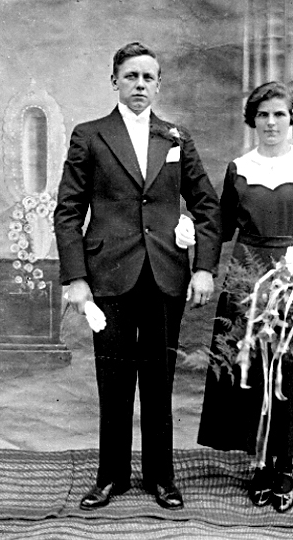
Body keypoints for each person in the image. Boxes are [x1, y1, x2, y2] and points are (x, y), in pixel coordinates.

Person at [54, 42, 222, 511]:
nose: (140, 85)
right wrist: (76, 278)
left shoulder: (176, 137)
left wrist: (204, 267)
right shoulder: (90, 135)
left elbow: (207, 206)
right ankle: (111, 477)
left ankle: (161, 477)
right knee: (113, 381)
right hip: (108, 276)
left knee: (159, 381)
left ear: (159, 84)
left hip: (166, 274)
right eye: (131, 76)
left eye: (148, 77)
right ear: (115, 82)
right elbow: (68, 212)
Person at [197, 81, 293, 513]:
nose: (271, 122)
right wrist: (189, 233)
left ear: (291, 117)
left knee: (291, 371)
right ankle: (259, 465)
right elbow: (221, 228)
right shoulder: (238, 168)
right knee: (252, 370)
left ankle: (285, 467)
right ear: (253, 120)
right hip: (247, 279)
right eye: (263, 115)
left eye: (279, 114)